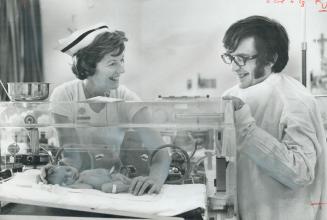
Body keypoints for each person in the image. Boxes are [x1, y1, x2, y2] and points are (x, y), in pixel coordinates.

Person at [221, 16, 327, 220]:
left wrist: (246, 131)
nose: (234, 67)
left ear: (271, 59)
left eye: (242, 58)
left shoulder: (295, 99)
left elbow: (301, 172)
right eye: (231, 57)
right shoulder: (231, 95)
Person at [48, 23, 170, 196]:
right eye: (113, 63)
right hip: (82, 187)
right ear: (88, 66)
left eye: (122, 61)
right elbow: (72, 156)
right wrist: (55, 173)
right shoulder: (64, 95)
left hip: (116, 180)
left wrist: (155, 179)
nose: (122, 69)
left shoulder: (127, 99)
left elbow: (161, 153)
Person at [37, 164, 131, 194]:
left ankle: (129, 183)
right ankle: (129, 187)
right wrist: (70, 187)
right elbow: (89, 188)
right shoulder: (78, 182)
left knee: (122, 177)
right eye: (66, 179)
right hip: (111, 184)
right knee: (106, 188)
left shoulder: (82, 172)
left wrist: (114, 175)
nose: (71, 174)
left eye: (68, 170)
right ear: (64, 185)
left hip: (112, 175)